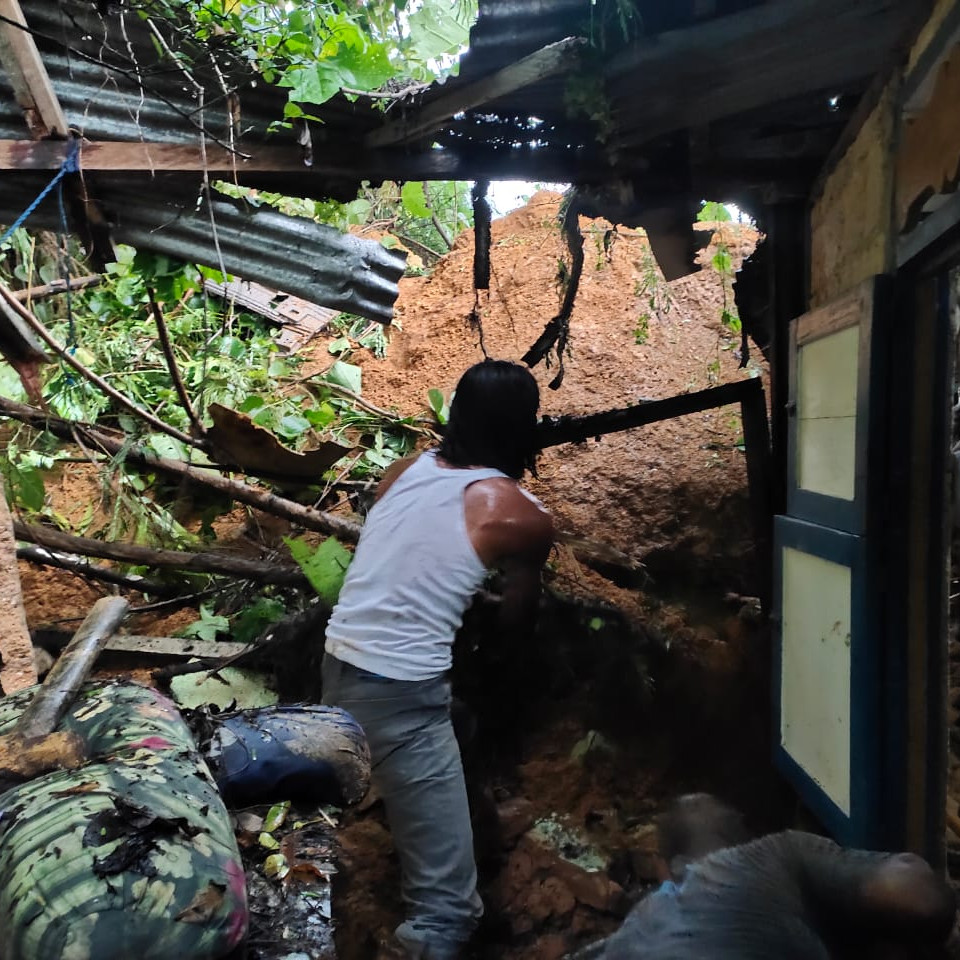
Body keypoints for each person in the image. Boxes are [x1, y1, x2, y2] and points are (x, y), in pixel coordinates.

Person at [321, 360, 554, 960]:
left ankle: (459, 822)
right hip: (400, 696)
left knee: (458, 723)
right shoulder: (520, 515)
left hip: (337, 665)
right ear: (523, 428)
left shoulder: (402, 471)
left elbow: (413, 550)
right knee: (449, 913)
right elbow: (515, 625)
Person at [574, 794, 957, 959]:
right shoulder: (775, 854)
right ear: (747, 834)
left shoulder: (627, 936)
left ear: (662, 868)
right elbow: (921, 901)